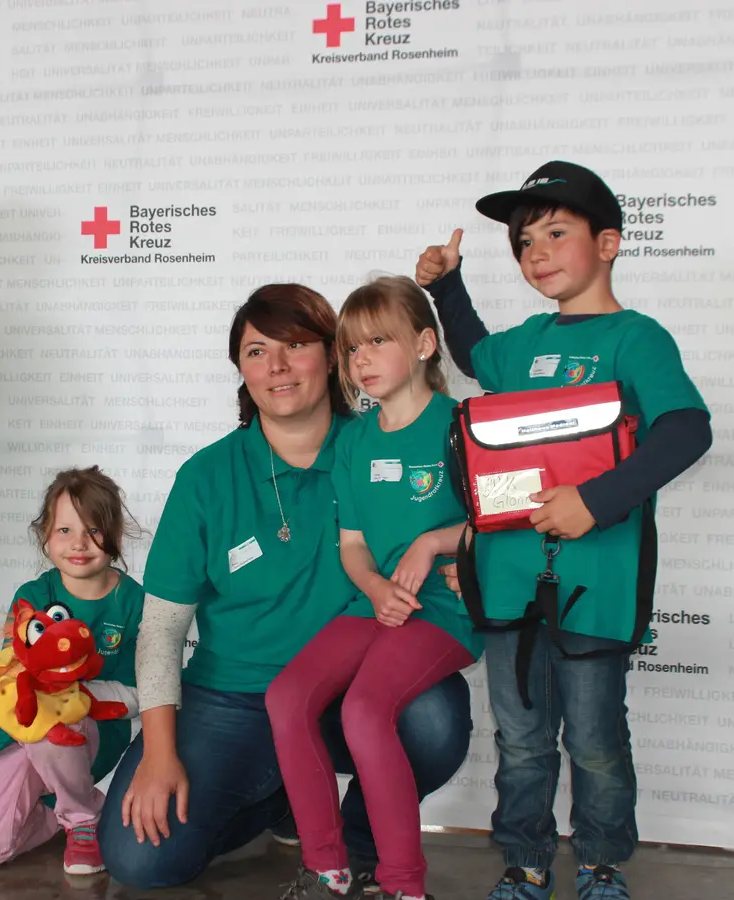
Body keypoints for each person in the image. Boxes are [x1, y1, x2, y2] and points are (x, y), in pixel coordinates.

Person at [99, 283, 474, 894]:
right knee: (141, 861)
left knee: (433, 721)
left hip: (353, 685)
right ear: (239, 370)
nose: (275, 367)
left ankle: (350, 845)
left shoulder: (377, 444)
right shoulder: (207, 477)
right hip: (231, 697)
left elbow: (472, 518)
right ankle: (283, 802)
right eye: (255, 352)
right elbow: (162, 630)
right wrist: (161, 753)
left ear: (332, 356)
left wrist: (469, 560)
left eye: (295, 346)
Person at [414, 161, 712, 900]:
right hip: (510, 579)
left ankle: (603, 863)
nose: (536, 252)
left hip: (596, 583)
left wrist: (598, 499)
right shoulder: (520, 345)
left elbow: (686, 430)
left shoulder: (636, 339)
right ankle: (525, 862)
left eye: (555, 232)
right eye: (522, 243)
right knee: (519, 740)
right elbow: (473, 351)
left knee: (595, 740)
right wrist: (445, 287)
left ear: (608, 243)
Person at [267, 277, 481, 900]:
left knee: (364, 711)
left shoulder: (462, 426)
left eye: (377, 342)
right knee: (287, 697)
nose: (360, 361)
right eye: (351, 349)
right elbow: (352, 545)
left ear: (423, 343)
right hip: (373, 603)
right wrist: (373, 585)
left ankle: (403, 886)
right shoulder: (354, 439)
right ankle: (327, 866)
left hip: (439, 610)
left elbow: (506, 519)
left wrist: (434, 542)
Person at [0, 466, 144, 876]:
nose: (79, 544)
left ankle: (82, 820)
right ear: (45, 536)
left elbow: (139, 693)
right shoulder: (32, 595)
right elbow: (9, 680)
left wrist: (76, 695)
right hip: (13, 738)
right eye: (65, 531)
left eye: (94, 530)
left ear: (115, 536)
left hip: (86, 732)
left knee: (57, 714)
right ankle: (61, 811)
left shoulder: (135, 601)